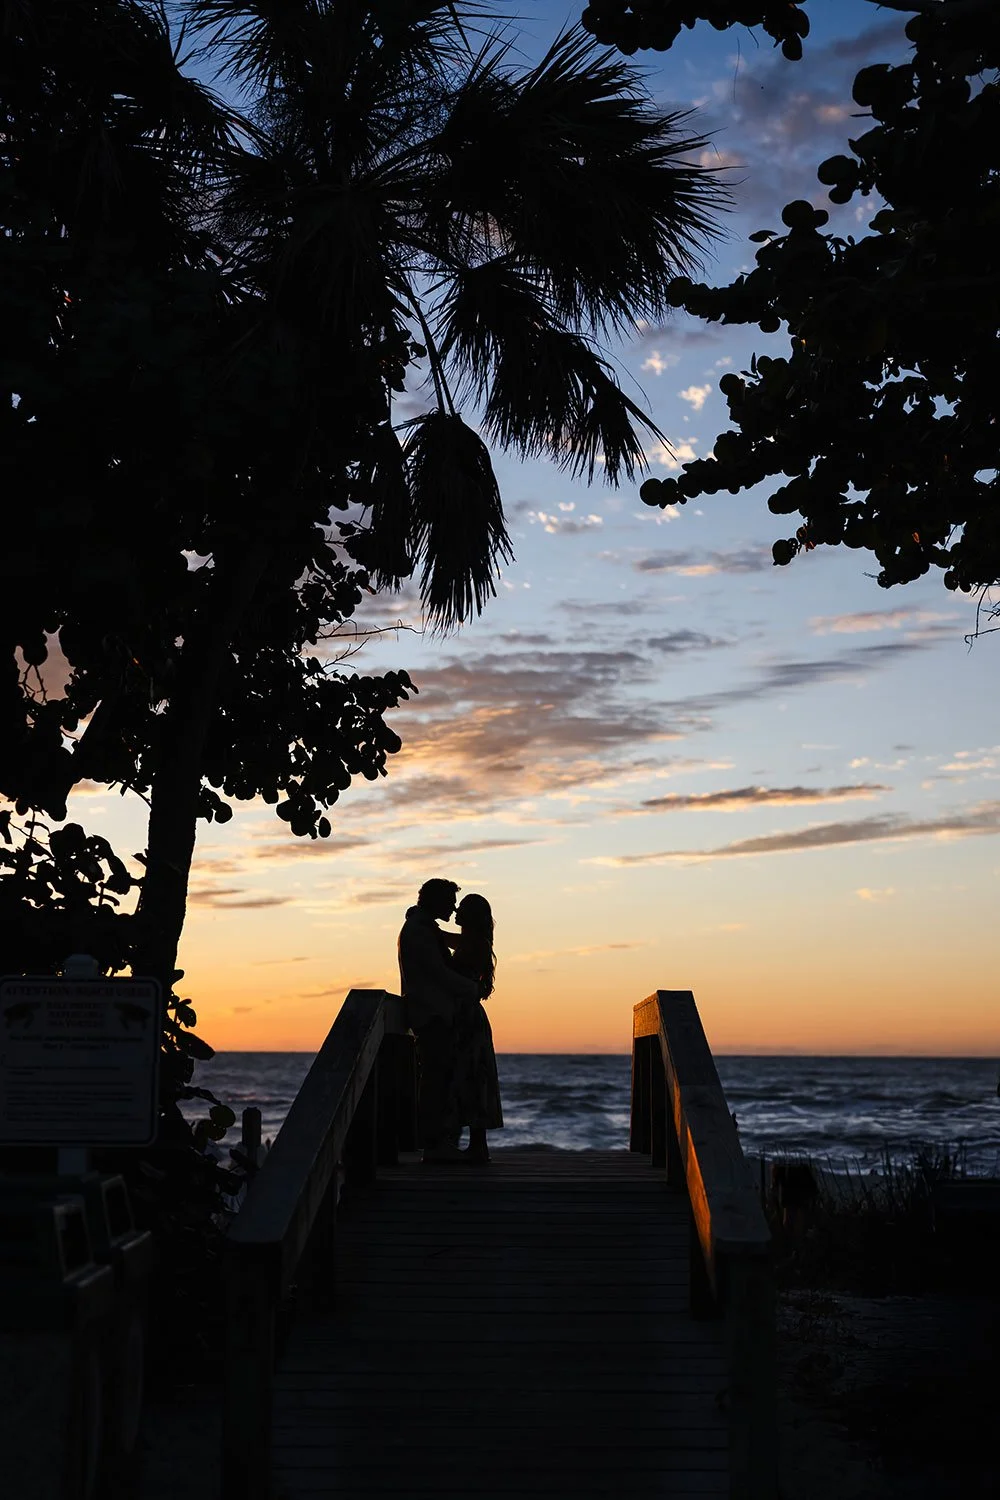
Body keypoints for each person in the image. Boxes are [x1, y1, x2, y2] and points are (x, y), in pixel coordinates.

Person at [397, 879, 479, 1163]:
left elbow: (447, 940)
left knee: (439, 1078)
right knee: (436, 1080)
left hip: (432, 1013)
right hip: (430, 1014)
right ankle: (434, 1144)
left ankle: (437, 1142)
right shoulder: (419, 932)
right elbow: (438, 973)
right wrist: (473, 989)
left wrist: (476, 937)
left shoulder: (423, 928)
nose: (453, 907)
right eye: (449, 902)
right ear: (434, 901)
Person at [446, 892, 504, 1164]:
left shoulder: (473, 943)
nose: (456, 911)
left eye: (462, 909)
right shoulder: (474, 941)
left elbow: (443, 942)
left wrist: (424, 926)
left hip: (467, 1016)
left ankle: (477, 1147)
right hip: (468, 1014)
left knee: (472, 1076)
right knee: (472, 1076)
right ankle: (475, 1145)